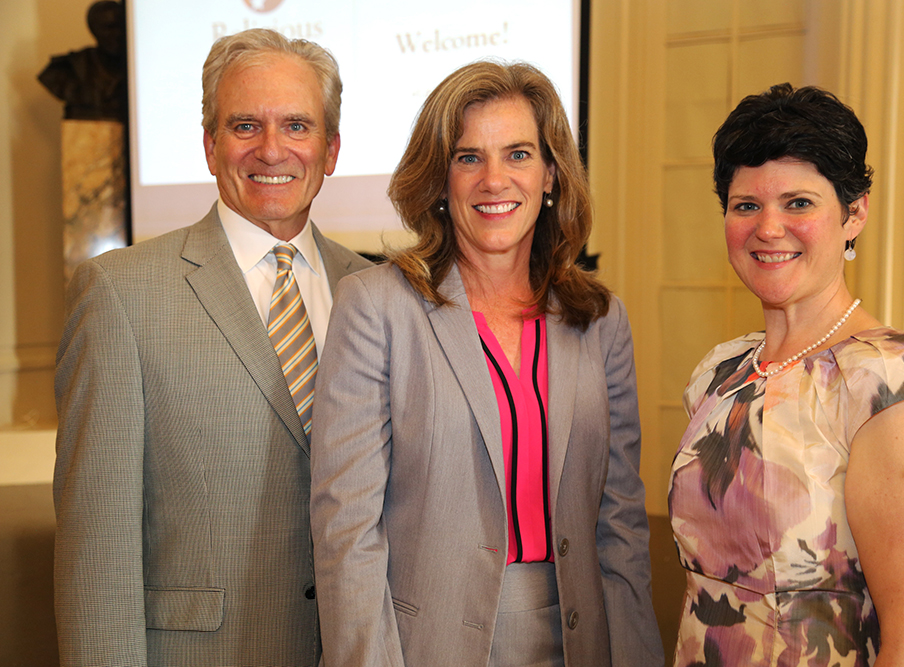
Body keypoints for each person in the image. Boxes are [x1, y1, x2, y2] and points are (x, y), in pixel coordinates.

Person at [310, 60, 664, 666]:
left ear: (551, 173)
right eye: (469, 157)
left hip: (581, 640)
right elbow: (348, 532)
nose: (494, 180)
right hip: (425, 648)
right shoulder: (376, 307)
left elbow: (622, 525)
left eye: (519, 155)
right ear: (440, 180)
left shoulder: (600, 320)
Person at [53, 28, 370, 666]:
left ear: (331, 150)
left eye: (298, 126)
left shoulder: (375, 292)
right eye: (245, 125)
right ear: (209, 146)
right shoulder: (121, 295)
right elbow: (98, 548)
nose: (272, 149)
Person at [667, 83, 904, 667]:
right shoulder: (721, 372)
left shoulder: (885, 387)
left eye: (799, 203)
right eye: (745, 205)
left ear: (854, 212)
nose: (768, 227)